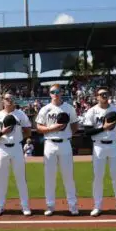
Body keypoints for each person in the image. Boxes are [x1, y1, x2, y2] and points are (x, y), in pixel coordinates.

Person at [82, 87, 116, 217]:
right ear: (96, 97)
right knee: (98, 177)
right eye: (101, 94)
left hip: (113, 145)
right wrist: (103, 128)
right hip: (98, 146)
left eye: (106, 94)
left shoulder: (115, 109)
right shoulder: (92, 111)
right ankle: (97, 206)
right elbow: (87, 131)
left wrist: (110, 133)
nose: (104, 96)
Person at [34, 84, 79, 216]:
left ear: (62, 92)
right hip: (50, 143)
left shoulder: (69, 108)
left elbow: (75, 126)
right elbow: (38, 127)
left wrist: (65, 134)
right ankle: (50, 206)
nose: (56, 93)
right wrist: (52, 129)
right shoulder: (45, 109)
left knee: (68, 176)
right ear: (50, 94)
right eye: (53, 91)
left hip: (65, 143)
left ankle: (73, 206)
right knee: (49, 176)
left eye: (58, 91)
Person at [0, 93, 32, 217]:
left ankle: (25, 206)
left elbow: (28, 131)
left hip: (17, 147)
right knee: (2, 178)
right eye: (7, 99)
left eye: (12, 98)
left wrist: (17, 138)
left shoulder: (20, 114)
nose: (9, 101)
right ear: (3, 101)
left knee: (21, 178)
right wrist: (1, 132)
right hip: (3, 148)